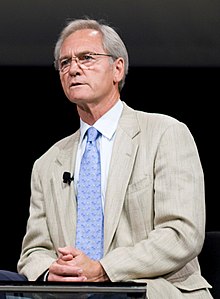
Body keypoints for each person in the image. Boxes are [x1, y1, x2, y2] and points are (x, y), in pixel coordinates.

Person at [0, 17, 213, 299]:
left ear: (117, 68)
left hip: (148, 289)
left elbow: (181, 233)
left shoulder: (165, 134)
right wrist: (52, 271)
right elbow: (33, 251)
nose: (73, 68)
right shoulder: (47, 163)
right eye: (64, 63)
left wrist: (102, 270)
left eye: (86, 58)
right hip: (70, 293)